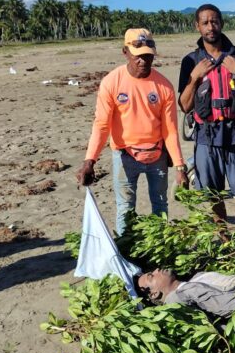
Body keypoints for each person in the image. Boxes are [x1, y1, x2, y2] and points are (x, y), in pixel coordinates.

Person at [77, 28, 188, 236]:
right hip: (125, 155)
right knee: (126, 209)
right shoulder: (111, 82)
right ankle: (125, 251)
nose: (143, 61)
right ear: (125, 52)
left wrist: (180, 167)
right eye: (138, 56)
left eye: (148, 56)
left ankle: (159, 244)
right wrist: (89, 161)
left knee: (160, 205)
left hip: (157, 156)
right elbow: (101, 125)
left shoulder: (164, 86)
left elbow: (170, 130)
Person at [178, 5, 235, 230]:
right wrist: (194, 78)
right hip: (206, 135)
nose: (210, 27)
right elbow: (185, 105)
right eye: (205, 23)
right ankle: (224, 239)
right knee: (213, 194)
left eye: (214, 21)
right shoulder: (190, 61)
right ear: (197, 26)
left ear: (222, 23)